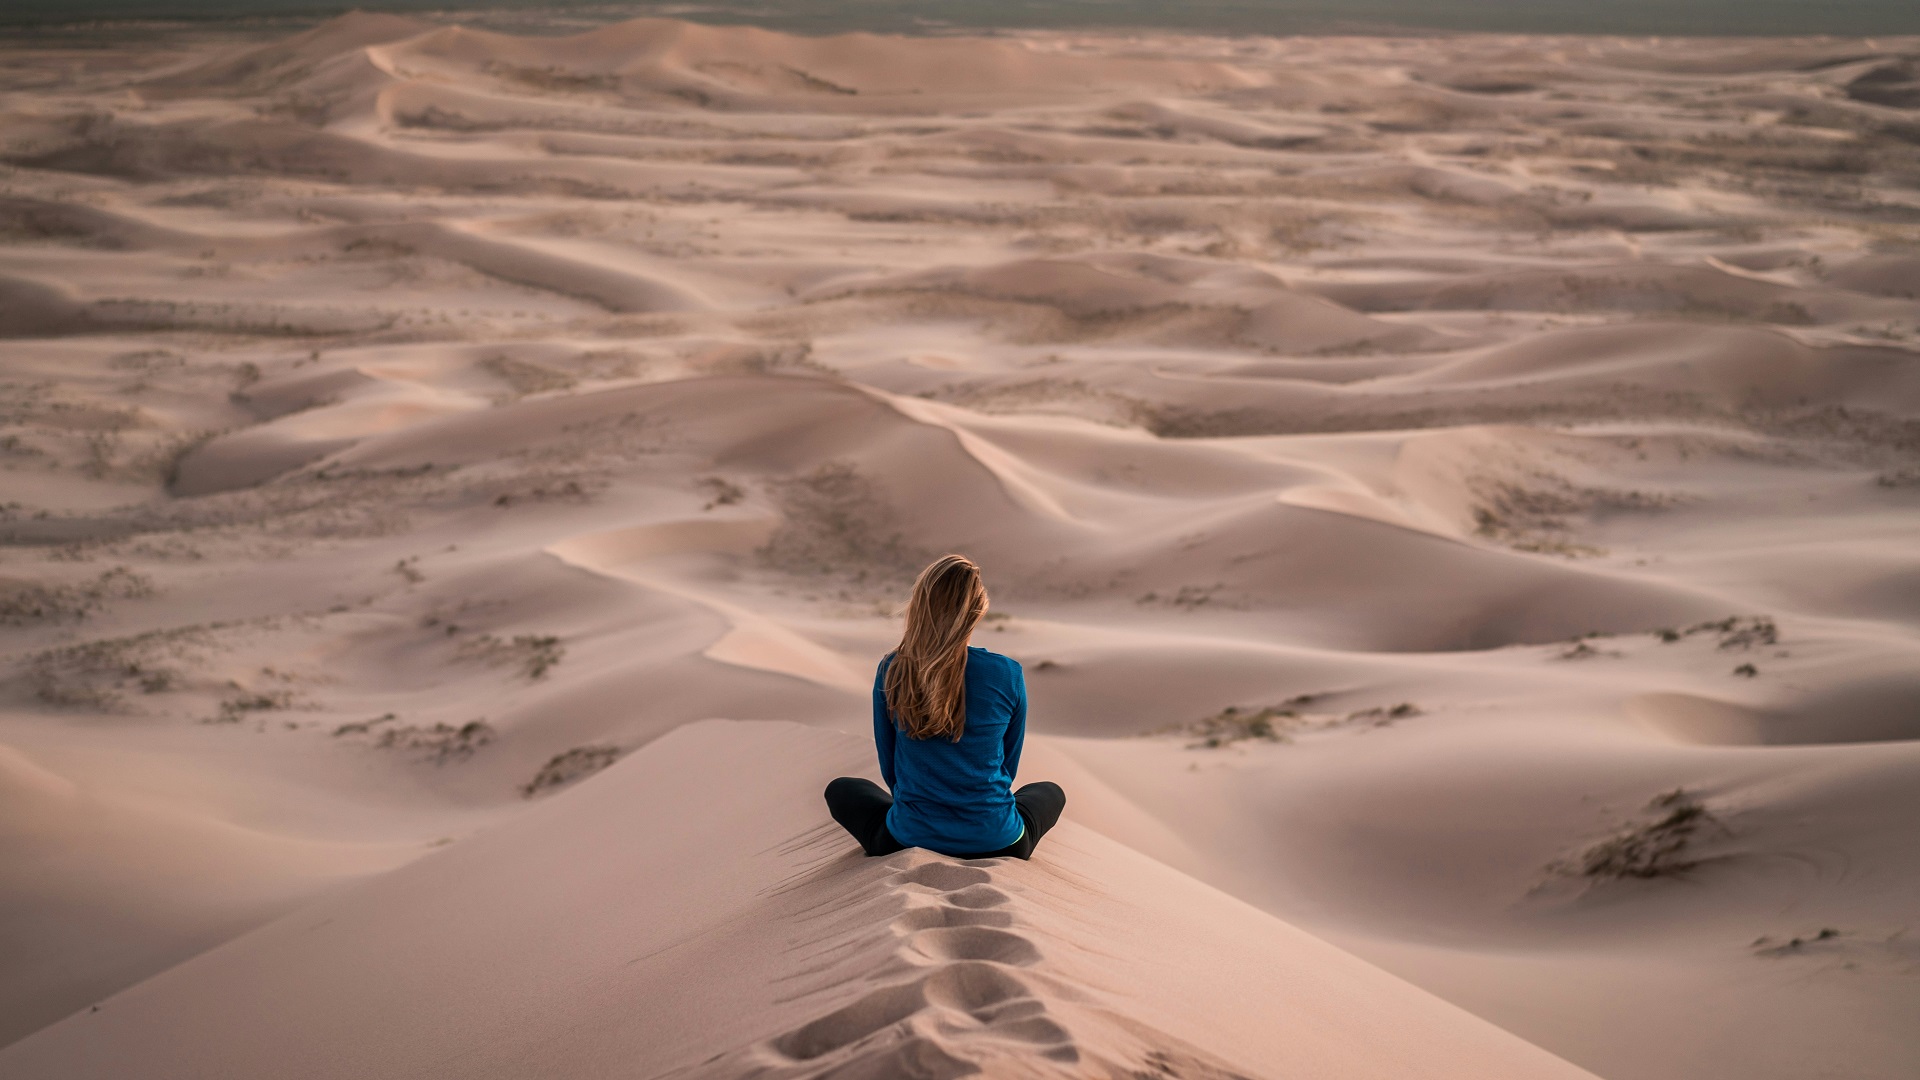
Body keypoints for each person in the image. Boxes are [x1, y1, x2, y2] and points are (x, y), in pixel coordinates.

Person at [824, 554, 1066, 860]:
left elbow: (890, 767)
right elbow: (1008, 765)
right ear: (977, 611)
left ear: (919, 606)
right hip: (997, 839)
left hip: (908, 837)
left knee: (843, 789)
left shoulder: (894, 668)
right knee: (1049, 791)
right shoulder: (1007, 673)